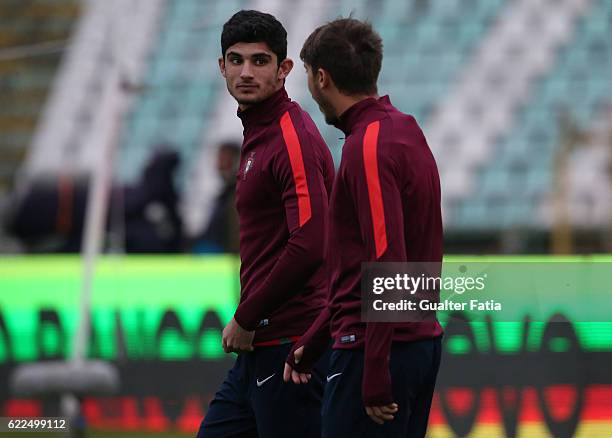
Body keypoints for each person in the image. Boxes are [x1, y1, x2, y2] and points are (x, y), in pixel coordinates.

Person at [283, 18, 444, 438]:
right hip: (416, 340)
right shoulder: (407, 130)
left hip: (378, 348)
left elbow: (386, 260)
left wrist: (374, 368)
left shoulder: (366, 146)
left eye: (309, 78)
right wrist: (314, 340)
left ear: (322, 78)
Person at [196, 10, 335, 438]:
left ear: (284, 69)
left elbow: (311, 242)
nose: (245, 72)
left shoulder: (290, 136)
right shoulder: (258, 133)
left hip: (292, 349)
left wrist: (248, 316)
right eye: (235, 60)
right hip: (260, 350)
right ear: (221, 67)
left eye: (260, 61)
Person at [192, 141, 241, 253]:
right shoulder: (225, 194)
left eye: (224, 159)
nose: (219, 164)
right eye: (219, 159)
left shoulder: (237, 194)